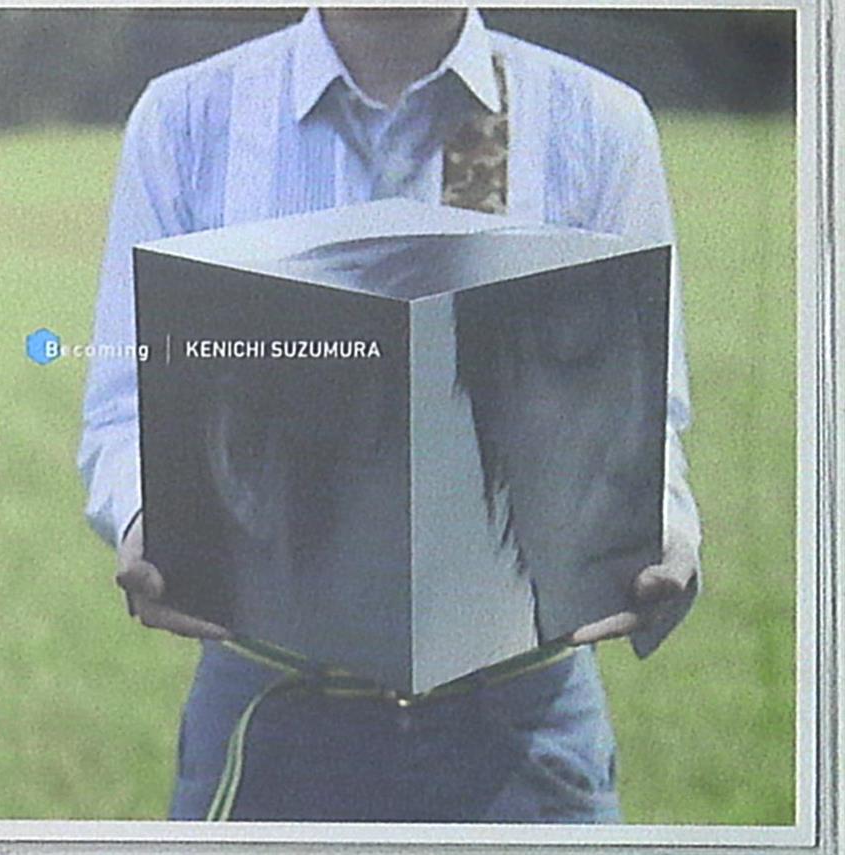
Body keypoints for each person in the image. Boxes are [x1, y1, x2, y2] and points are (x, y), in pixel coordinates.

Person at [78, 7, 702, 823]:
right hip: (268, 708)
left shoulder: (597, 123)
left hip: (528, 722)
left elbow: (643, 416)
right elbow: (126, 403)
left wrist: (662, 525)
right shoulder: (186, 119)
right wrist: (146, 516)